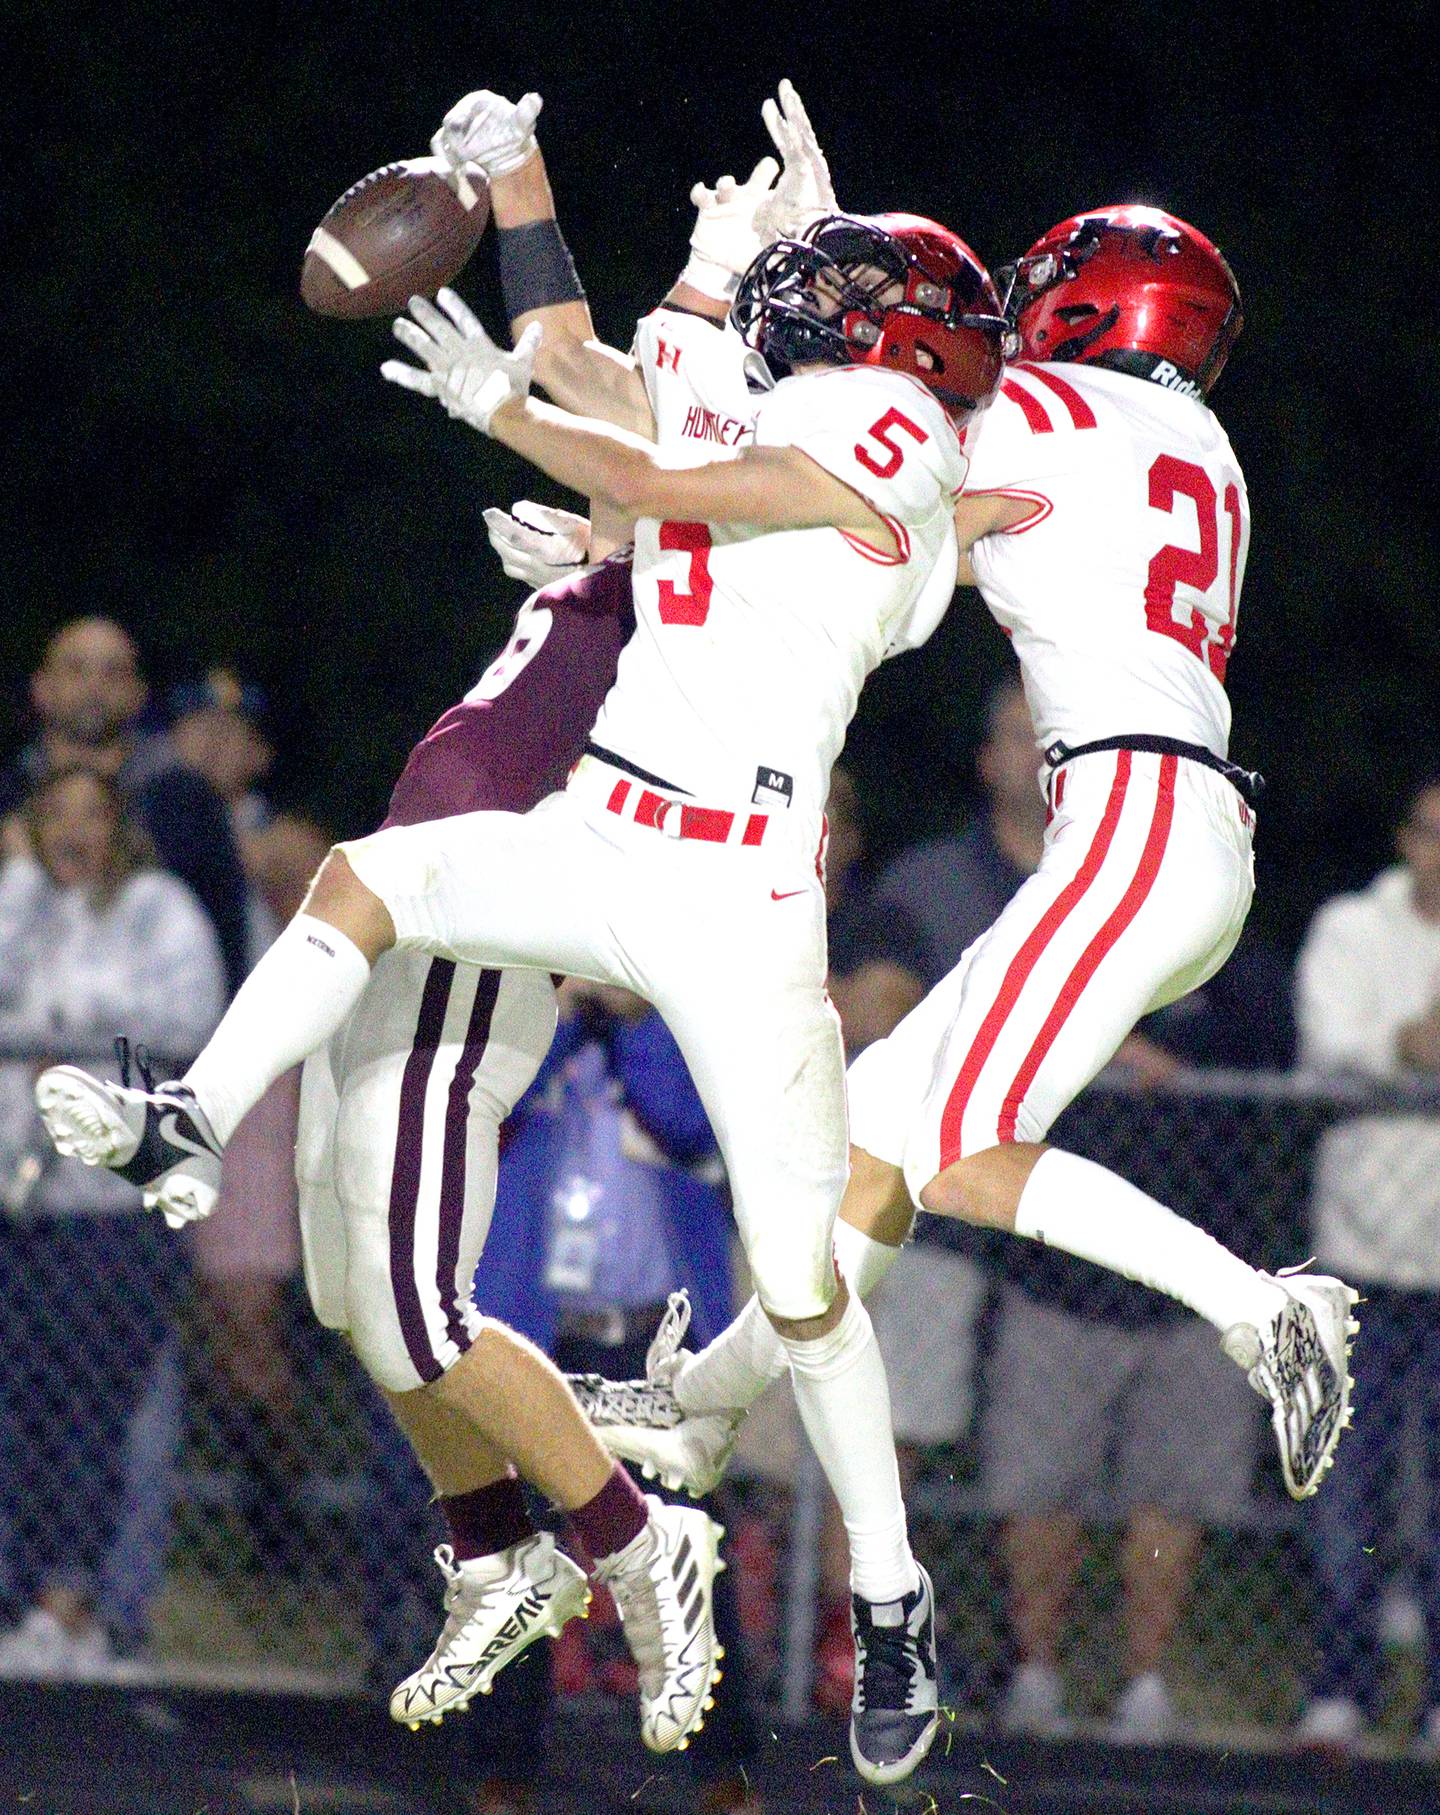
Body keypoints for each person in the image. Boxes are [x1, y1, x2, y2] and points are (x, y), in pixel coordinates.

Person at [35, 84, 1008, 1785]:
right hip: (607, 837)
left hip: (738, 889)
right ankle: (212, 1139)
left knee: (790, 1282)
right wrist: (540, 196)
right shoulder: (746, 410)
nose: (774, 289)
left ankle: (839, 1587)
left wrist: (532, 430)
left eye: (819, 291)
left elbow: (636, 449)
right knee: (371, 965)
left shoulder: (875, 452)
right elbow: (602, 381)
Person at [584, 206, 1358, 1531]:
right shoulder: (1200, 447)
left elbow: (832, 487)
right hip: (1169, 830)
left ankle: (1263, 1306)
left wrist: (673, 445)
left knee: (955, 1156)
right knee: (873, 1140)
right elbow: (914, 548)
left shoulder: (1046, 408)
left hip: (1130, 821)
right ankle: (707, 1403)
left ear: (1086, 307)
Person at [463, 978, 763, 1814]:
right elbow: (494, 1092)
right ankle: (502, 1775)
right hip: (531, 1330)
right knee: (513, 1551)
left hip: (651, 1337)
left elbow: (686, 1118)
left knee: (687, 1554)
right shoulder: (517, 1002)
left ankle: (723, 1776)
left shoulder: (682, 1014)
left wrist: (635, 1014)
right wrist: (561, 1006)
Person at [0, 768, 226, 1672]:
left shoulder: (159, 910)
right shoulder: (23, 905)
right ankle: (29, 1603)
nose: (72, 832)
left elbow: (186, 1027)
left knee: (93, 1408)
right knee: (21, 1408)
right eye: (54, 816)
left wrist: (75, 1027)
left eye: (92, 814)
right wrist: (19, 888)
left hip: (110, 1207)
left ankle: (80, 1601)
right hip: (23, 1203)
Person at [1292, 776, 1440, 1755]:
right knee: (1345, 1493)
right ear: (1405, 839)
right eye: (1432, 833)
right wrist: (1407, 1044)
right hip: (1357, 1262)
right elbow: (1328, 1048)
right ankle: (1338, 1692)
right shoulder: (1351, 926)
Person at [0, 619, 251, 998]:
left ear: (138, 692)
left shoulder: (182, 800)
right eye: (75, 670)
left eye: (112, 673)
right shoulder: (8, 795)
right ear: (42, 688)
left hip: (148, 1038)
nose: (93, 687)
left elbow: (226, 932)